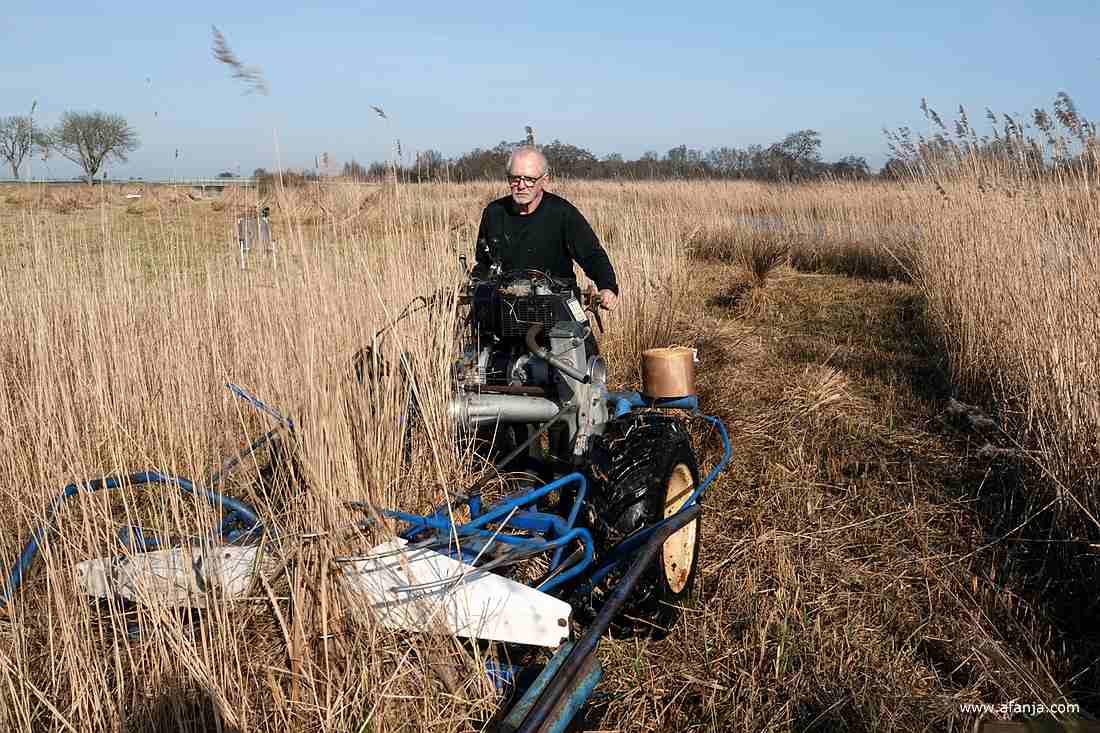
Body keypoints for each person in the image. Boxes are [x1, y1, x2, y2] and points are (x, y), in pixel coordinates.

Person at [471, 146, 619, 310]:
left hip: (556, 307)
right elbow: (483, 263)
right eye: (515, 178)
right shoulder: (493, 213)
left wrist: (607, 287)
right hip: (506, 308)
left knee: (577, 334)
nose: (521, 186)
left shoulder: (562, 213)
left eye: (529, 179)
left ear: (545, 180)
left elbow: (592, 255)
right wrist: (476, 287)